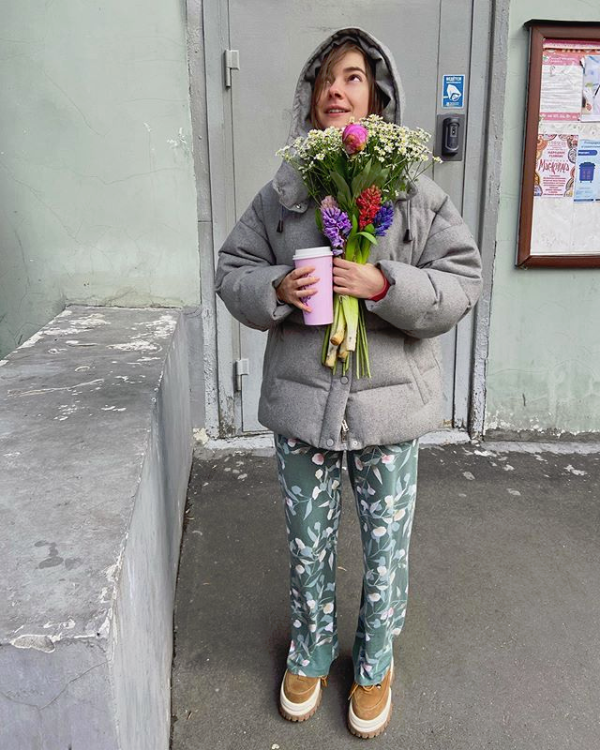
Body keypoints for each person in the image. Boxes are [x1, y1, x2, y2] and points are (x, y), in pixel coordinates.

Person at [215, 28, 482, 739]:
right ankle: (310, 649)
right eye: (326, 79)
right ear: (311, 101)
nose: (337, 89)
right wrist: (277, 285)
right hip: (302, 404)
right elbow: (232, 270)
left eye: (353, 77)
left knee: (386, 549)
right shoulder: (284, 194)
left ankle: (374, 661)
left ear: (378, 99)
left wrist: (385, 284)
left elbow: (463, 280)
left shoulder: (415, 194)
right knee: (308, 543)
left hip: (389, 408)